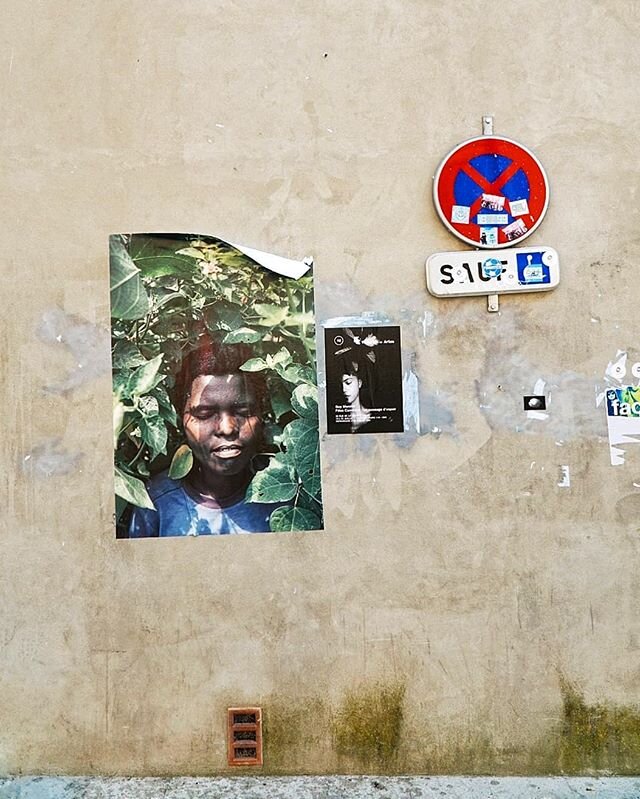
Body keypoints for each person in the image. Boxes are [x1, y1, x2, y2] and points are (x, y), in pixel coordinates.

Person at [128, 340, 283, 537]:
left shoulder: (286, 497)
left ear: (263, 413)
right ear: (179, 418)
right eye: (204, 414)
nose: (227, 428)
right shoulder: (154, 503)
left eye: (243, 411)